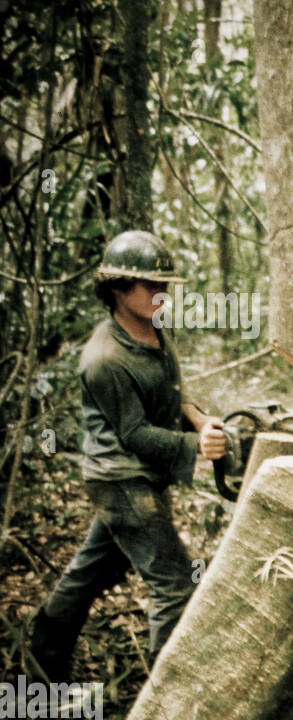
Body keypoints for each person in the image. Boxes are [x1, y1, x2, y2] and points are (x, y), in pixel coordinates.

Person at [27, 230, 227, 682]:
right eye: (150, 286)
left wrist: (198, 420)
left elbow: (171, 391)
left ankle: (37, 676)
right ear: (117, 289)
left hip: (137, 478)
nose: (161, 295)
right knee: (174, 584)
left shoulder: (154, 327)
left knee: (90, 573)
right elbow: (134, 433)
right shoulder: (104, 359)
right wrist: (197, 447)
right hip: (121, 480)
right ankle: (167, 705)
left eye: (165, 286)